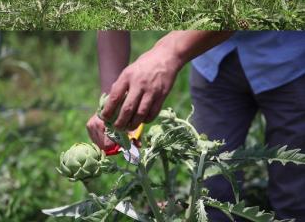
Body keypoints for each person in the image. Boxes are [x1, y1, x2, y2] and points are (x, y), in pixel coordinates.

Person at [87, 31, 305, 221]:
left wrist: (167, 53)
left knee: (295, 195)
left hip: (291, 60)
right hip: (213, 59)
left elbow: (236, 1)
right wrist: (112, 98)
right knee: (210, 193)